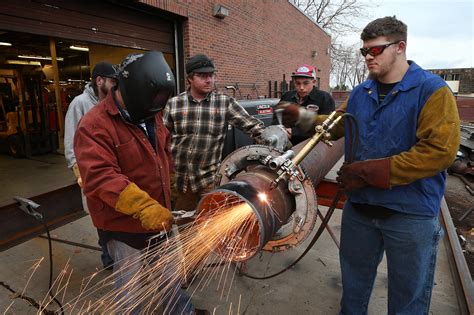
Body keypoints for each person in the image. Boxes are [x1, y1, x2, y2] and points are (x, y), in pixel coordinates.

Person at [280, 16, 460, 314]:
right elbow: (337, 126)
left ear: (400, 47)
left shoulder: (432, 91)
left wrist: (369, 172)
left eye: (375, 50)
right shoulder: (362, 93)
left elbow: (439, 152)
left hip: (409, 214)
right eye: (364, 51)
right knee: (354, 287)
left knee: (407, 297)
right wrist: (302, 117)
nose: (367, 57)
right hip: (360, 210)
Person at [74, 51, 207, 314]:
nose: (156, 109)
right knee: (130, 289)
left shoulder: (149, 111)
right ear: (127, 88)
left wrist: (169, 180)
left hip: (160, 216)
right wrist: (145, 208)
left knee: (169, 277)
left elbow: (163, 146)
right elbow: (102, 177)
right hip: (123, 225)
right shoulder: (94, 125)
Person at [163, 54, 268, 212]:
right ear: (190, 79)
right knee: (183, 226)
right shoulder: (174, 104)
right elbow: (161, 139)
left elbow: (252, 126)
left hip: (209, 180)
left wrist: (271, 138)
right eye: (203, 76)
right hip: (180, 182)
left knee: (210, 224)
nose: (209, 80)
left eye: (211, 75)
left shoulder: (224, 103)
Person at [64, 61, 118, 270]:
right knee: (102, 216)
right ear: (99, 81)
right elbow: (70, 142)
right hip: (91, 172)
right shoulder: (80, 104)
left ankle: (115, 254)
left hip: (112, 169)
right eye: (113, 81)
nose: (116, 86)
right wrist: (79, 172)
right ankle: (109, 258)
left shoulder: (114, 102)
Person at [277, 64, 335, 145]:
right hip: (284, 143)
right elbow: (277, 118)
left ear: (314, 82)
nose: (301, 87)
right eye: (298, 83)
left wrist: (294, 132)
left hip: (311, 145)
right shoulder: (287, 96)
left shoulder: (325, 98)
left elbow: (326, 124)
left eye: (305, 83)